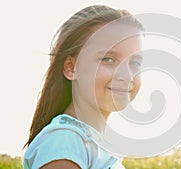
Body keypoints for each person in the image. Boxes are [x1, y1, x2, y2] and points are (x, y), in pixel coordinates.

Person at [23, 4, 144, 169]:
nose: (127, 76)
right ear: (71, 68)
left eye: (135, 63)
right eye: (108, 59)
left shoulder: (91, 144)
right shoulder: (64, 140)